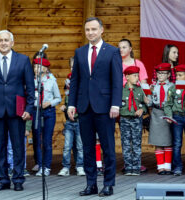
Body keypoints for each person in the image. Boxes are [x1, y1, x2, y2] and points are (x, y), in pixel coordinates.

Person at [68, 17, 122, 197]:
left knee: (107, 147)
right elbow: (75, 80)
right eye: (87, 30)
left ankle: (108, 184)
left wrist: (115, 104)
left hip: (105, 107)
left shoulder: (112, 51)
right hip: (84, 107)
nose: (90, 33)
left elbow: (117, 81)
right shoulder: (80, 52)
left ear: (101, 30)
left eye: (93, 29)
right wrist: (71, 104)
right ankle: (91, 184)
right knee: (88, 148)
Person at [0, 30, 35, 191]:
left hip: (17, 111)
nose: (3, 43)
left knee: (18, 146)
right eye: (0, 40)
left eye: (6, 40)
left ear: (12, 42)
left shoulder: (23, 60)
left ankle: (18, 179)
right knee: (1, 146)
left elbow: (30, 87)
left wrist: (29, 108)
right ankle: (3, 179)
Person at [164, 64, 185, 176]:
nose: (177, 77)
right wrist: (169, 116)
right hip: (176, 117)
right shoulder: (172, 88)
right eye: (176, 75)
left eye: (180, 75)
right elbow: (167, 104)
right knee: (177, 143)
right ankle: (177, 166)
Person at [33, 58, 61, 177]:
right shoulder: (31, 81)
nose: (36, 69)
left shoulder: (51, 81)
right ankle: (40, 165)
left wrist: (49, 103)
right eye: (35, 66)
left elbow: (58, 98)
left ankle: (47, 167)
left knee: (47, 141)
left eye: (38, 67)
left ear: (45, 69)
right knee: (37, 140)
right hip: (36, 112)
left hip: (49, 112)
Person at [58, 65, 85, 176]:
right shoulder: (68, 96)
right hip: (69, 123)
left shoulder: (82, 94)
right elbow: (67, 105)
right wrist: (64, 107)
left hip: (79, 122)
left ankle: (80, 166)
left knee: (80, 146)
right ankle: (65, 167)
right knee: (67, 146)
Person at [119, 66, 147, 176]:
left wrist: (142, 110)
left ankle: (136, 167)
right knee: (126, 144)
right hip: (124, 119)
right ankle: (128, 166)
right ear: (127, 77)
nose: (137, 78)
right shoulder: (121, 90)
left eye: (138, 75)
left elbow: (144, 105)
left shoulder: (140, 90)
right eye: (134, 76)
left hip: (136, 120)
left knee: (136, 143)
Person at [148, 63, 174, 175]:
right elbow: (149, 102)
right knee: (158, 141)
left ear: (168, 74)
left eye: (163, 73)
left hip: (168, 113)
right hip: (156, 113)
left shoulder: (172, 86)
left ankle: (168, 166)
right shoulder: (153, 86)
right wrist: (147, 99)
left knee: (168, 140)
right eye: (158, 73)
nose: (160, 75)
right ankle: (160, 167)